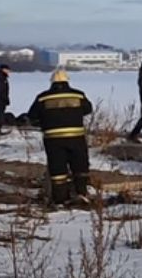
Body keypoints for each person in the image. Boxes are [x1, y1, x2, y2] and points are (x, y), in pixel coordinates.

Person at [27, 69, 94, 204]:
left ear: (52, 82)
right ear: (67, 80)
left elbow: (32, 116)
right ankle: (81, 192)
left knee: (58, 169)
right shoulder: (78, 95)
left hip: (53, 139)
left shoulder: (43, 97)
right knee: (80, 166)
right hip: (76, 137)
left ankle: (60, 198)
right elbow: (88, 109)